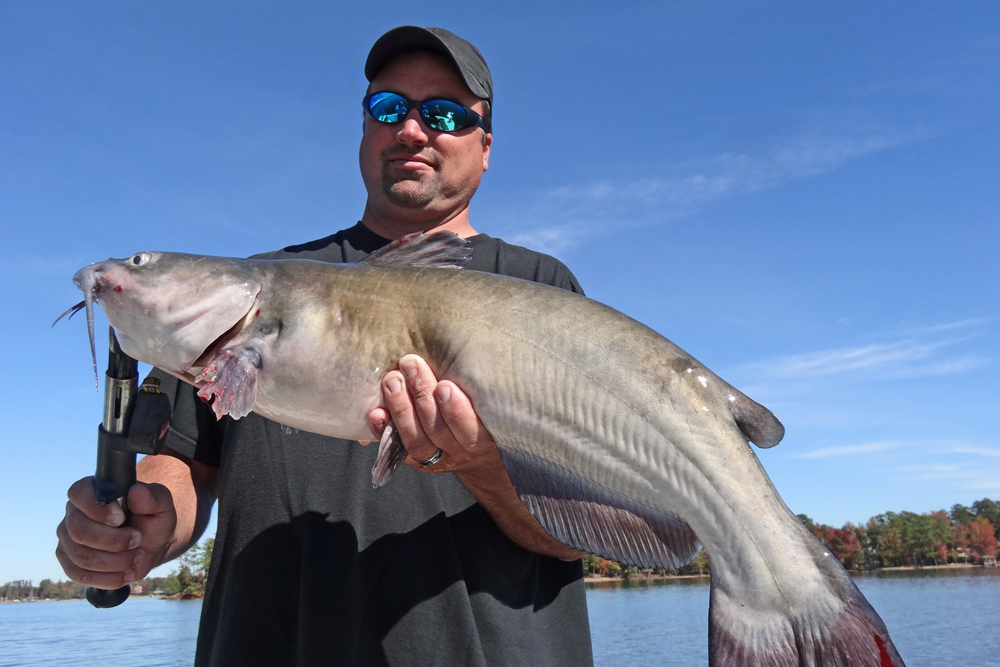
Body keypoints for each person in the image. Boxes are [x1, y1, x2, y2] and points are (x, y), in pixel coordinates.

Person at [56, 26, 595, 667]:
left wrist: (478, 461)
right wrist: (146, 526)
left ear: (485, 149)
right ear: (366, 131)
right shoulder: (246, 295)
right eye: (388, 108)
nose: (413, 130)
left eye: (446, 114)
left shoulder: (543, 291)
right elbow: (189, 462)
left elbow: (576, 531)